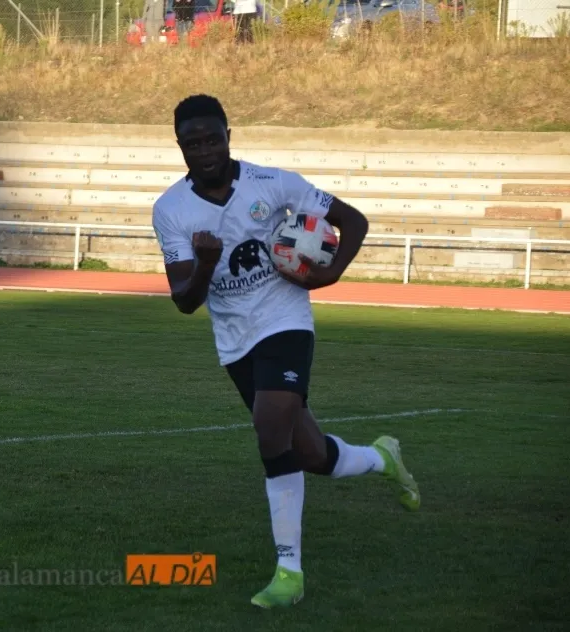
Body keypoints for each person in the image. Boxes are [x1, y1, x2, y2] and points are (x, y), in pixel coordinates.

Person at [151, 94, 420, 609]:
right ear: (180, 147)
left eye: (212, 139)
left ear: (229, 136)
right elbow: (185, 300)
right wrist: (205, 264)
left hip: (285, 320)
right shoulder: (171, 210)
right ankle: (381, 457)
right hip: (235, 340)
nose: (204, 151)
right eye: (192, 144)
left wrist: (329, 274)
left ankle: (288, 573)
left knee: (270, 427)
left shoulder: (274, 183)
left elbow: (353, 221)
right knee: (311, 454)